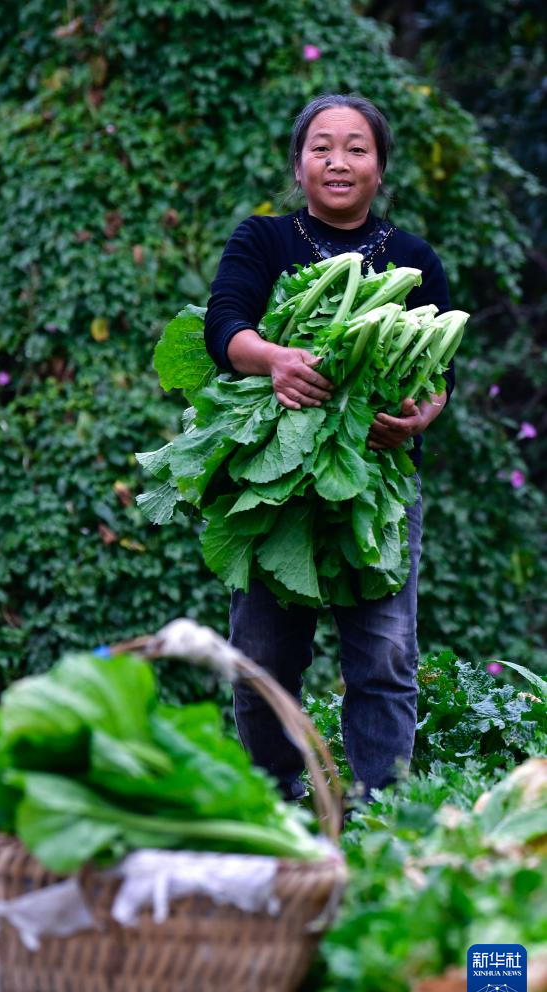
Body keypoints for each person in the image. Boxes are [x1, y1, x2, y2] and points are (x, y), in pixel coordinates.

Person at [204, 94, 454, 802]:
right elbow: (223, 326)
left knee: (383, 655)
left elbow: (440, 379)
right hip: (269, 484)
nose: (337, 161)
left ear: (379, 166)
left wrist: (416, 418)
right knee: (260, 657)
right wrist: (273, 360)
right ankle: (277, 792)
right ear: (297, 163)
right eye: (321, 147)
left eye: (355, 148)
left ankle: (381, 806)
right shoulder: (262, 241)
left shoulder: (412, 258)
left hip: (373, 478)